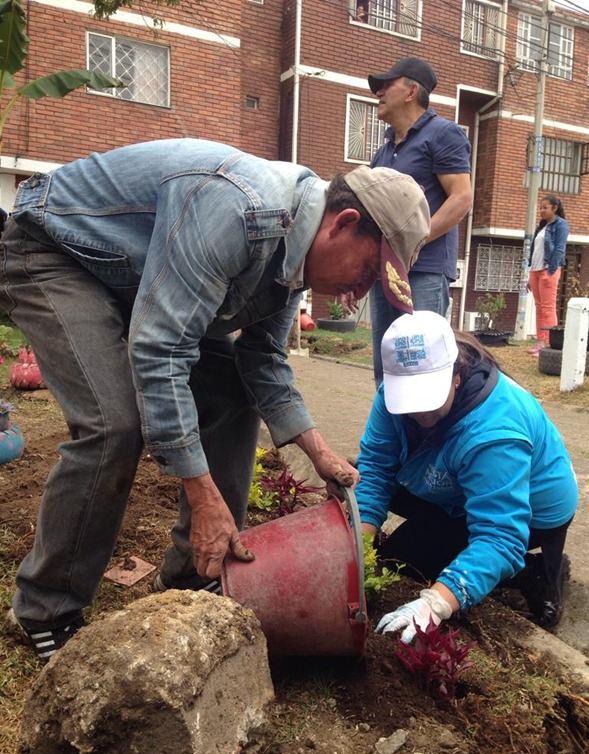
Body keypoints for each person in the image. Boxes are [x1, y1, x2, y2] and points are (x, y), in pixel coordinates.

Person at [0, 139, 430, 660]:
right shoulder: (239, 209)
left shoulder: (296, 250)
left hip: (143, 276)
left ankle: (193, 573)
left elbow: (262, 360)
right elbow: (159, 351)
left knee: (231, 389)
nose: (358, 294)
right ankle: (47, 607)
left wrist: (318, 452)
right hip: (60, 250)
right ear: (342, 223)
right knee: (114, 423)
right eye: (366, 272)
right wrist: (204, 497)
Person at [356, 311, 577, 644]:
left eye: (428, 395)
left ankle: (538, 573)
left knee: (427, 562)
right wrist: (359, 549)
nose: (419, 411)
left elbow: (500, 535)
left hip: (534, 510)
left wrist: (434, 604)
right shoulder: (392, 394)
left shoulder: (495, 430)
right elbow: (376, 465)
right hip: (457, 485)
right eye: (408, 397)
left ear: (456, 375)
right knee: (397, 560)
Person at [365, 56, 473, 387]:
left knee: (423, 363)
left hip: (424, 270)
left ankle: (431, 438)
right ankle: (389, 437)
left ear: (412, 91)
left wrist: (413, 240)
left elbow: (461, 197)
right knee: (387, 366)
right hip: (386, 273)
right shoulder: (383, 153)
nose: (378, 93)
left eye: (386, 85)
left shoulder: (443, 134)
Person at [526, 195, 570, 356]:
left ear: (554, 208)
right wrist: (530, 272)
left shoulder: (561, 225)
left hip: (548, 270)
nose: (541, 210)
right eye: (541, 207)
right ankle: (540, 342)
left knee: (548, 308)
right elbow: (535, 251)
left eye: (545, 207)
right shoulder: (542, 227)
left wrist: (551, 271)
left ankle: (551, 345)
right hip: (535, 271)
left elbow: (559, 249)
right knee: (539, 308)